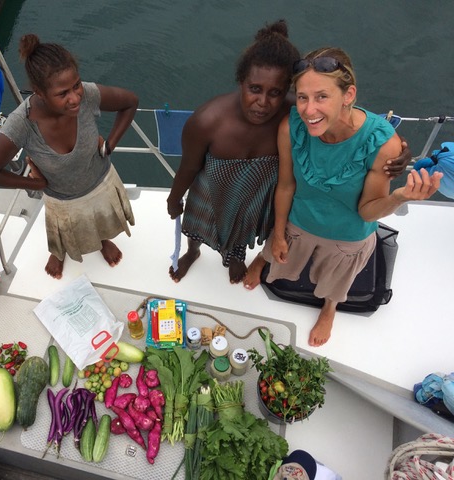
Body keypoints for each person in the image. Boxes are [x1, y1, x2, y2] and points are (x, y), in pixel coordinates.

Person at [166, 21, 410, 285]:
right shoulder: (207, 121)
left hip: (257, 194)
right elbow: (189, 167)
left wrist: (398, 146)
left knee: (243, 229)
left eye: (275, 93)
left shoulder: (298, 111)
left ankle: (235, 258)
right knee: (198, 223)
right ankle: (193, 252)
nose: (262, 102)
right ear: (241, 81)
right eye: (255, 89)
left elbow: (343, 113)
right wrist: (174, 197)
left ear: (288, 92)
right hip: (213, 190)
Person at [251, 47, 442, 347]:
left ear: (348, 95)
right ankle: (262, 260)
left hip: (348, 233)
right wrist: (277, 233)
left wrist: (401, 196)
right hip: (299, 220)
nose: (309, 110)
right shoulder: (291, 128)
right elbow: (286, 185)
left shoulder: (384, 145)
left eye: (322, 97)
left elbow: (367, 213)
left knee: (336, 284)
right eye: (303, 97)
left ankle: (329, 309)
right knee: (277, 251)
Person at [0, 34, 138, 279]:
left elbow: (130, 102)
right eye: (63, 94)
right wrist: (34, 184)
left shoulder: (88, 95)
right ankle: (59, 252)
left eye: (76, 85)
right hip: (61, 198)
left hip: (99, 180)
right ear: (39, 92)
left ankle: (103, 240)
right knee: (62, 232)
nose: (74, 98)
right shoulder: (22, 124)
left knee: (100, 219)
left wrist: (110, 145)